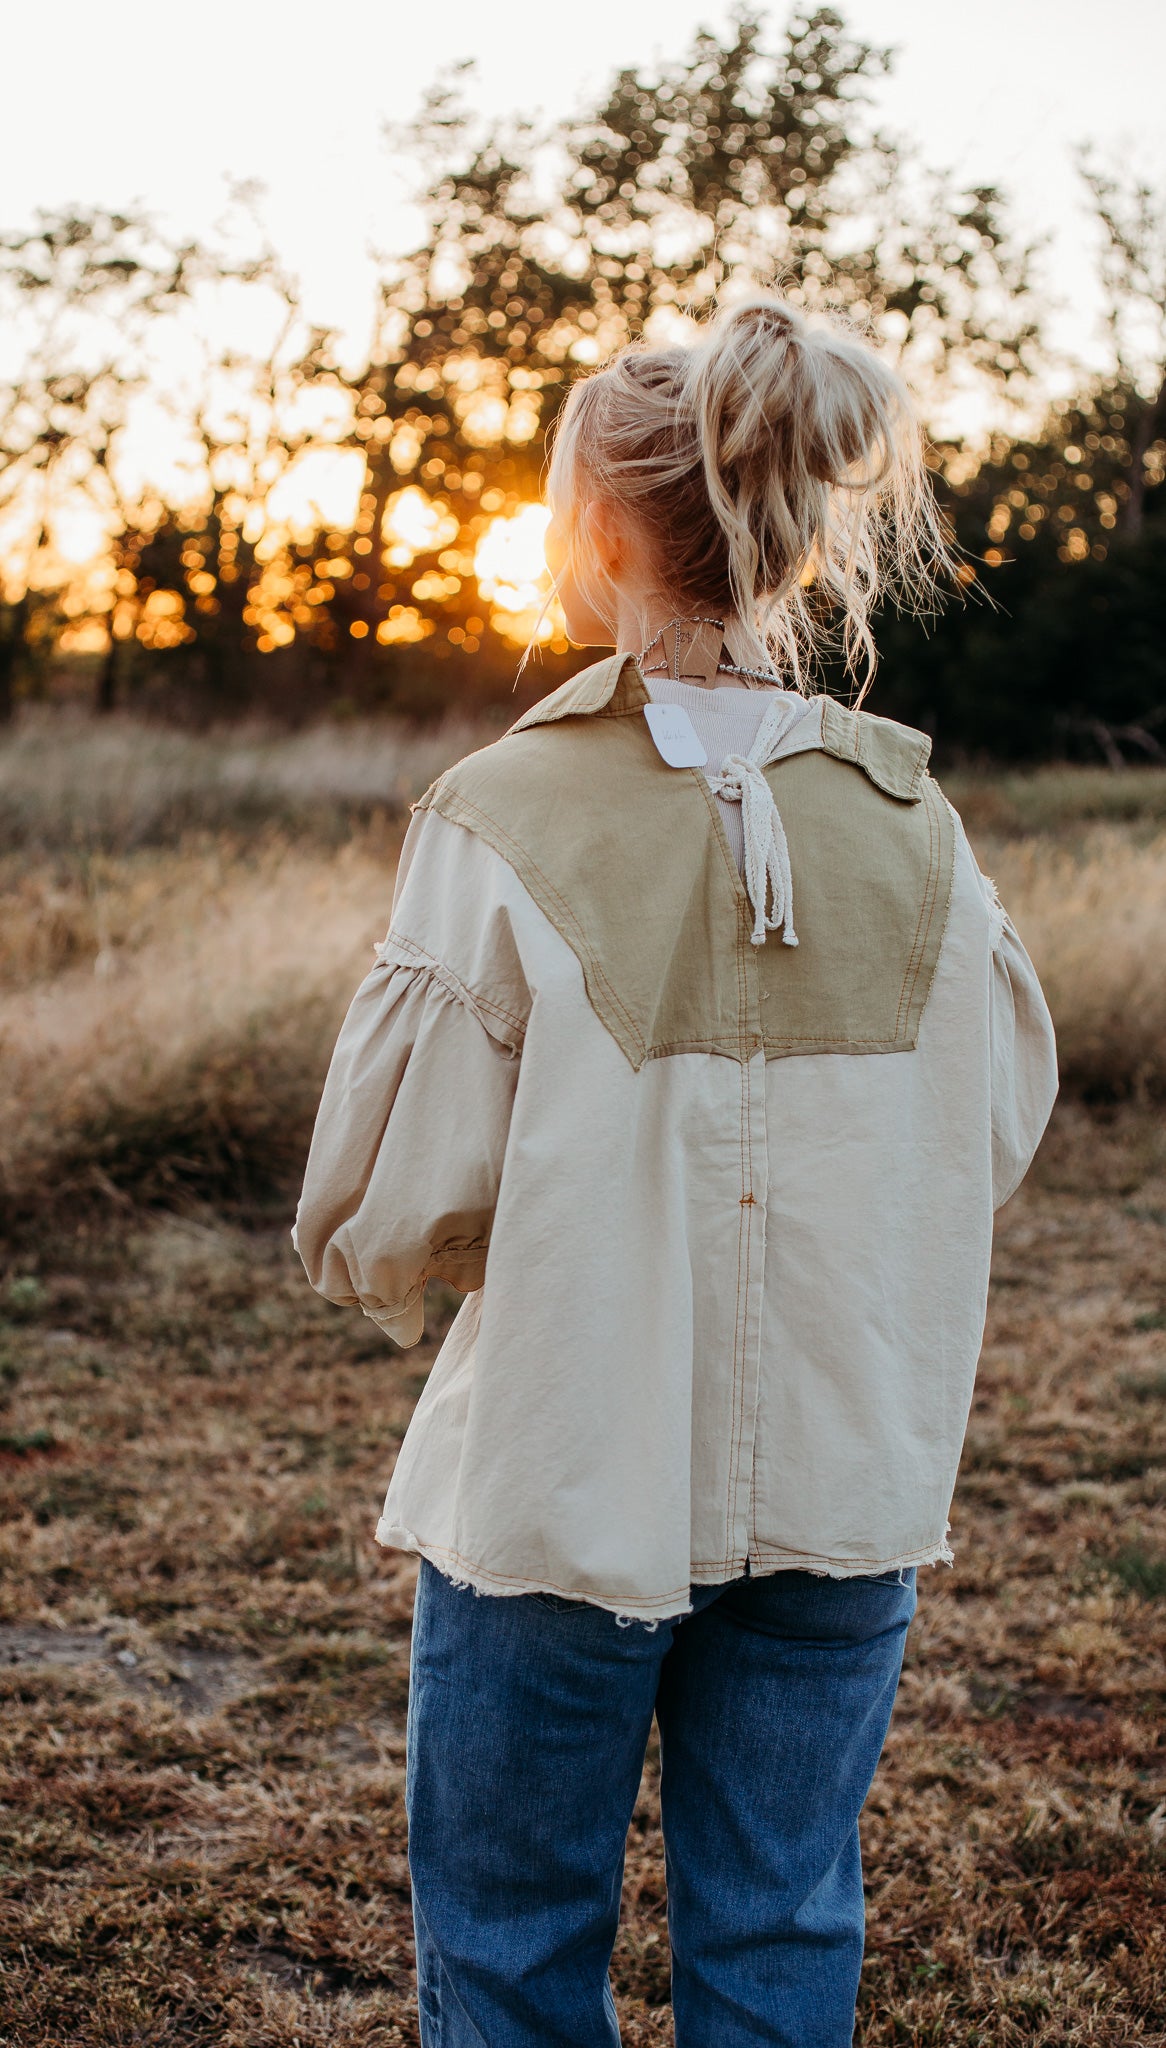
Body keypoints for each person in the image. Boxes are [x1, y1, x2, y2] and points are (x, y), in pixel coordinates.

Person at [293, 294, 1058, 2048]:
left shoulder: (504, 812)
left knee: (507, 1942)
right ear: (784, 528)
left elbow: (400, 1209)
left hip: (566, 1471)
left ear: (597, 530)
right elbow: (982, 1138)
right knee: (782, 1926)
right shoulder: (912, 820)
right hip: (843, 1471)